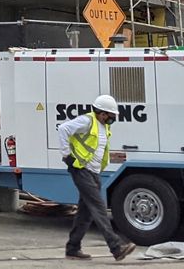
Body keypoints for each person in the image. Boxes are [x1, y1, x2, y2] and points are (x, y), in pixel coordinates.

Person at [58, 94, 136, 261]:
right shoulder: (87, 121)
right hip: (81, 169)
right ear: (101, 113)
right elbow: (63, 129)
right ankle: (116, 247)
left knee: (85, 213)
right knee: (99, 207)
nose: (112, 120)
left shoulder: (103, 126)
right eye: (111, 116)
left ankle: (72, 248)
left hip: (93, 172)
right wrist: (67, 155)